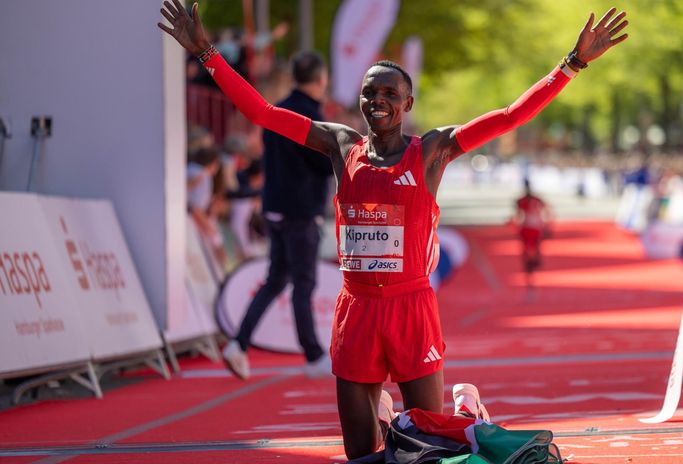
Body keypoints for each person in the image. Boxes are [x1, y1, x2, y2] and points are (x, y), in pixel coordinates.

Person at [159, 1, 628, 457]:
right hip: (358, 311)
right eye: (369, 93)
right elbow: (263, 114)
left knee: (427, 445)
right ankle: (383, 418)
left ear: (408, 102)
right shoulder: (340, 145)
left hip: (411, 308)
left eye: (388, 94)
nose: (376, 101)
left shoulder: (432, 151)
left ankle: (459, 412)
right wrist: (207, 55)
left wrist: (570, 65)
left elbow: (509, 117)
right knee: (361, 455)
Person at [220, 50, 334, 381]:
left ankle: (239, 344)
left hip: (274, 206)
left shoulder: (276, 111)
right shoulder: (314, 117)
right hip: (301, 210)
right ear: (321, 79)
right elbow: (322, 164)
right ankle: (313, 355)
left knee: (276, 280)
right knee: (302, 283)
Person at [514, 179, 553, 300]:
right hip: (532, 230)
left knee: (529, 255)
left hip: (530, 230)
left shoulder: (524, 201)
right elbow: (547, 211)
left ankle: (531, 270)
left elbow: (518, 216)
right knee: (529, 255)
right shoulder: (528, 200)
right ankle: (531, 272)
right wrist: (547, 225)